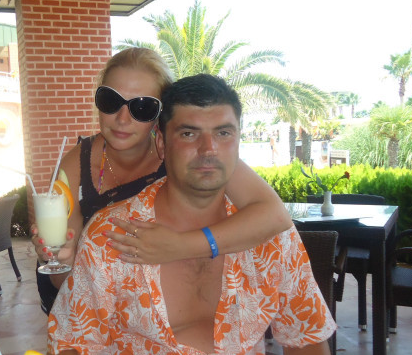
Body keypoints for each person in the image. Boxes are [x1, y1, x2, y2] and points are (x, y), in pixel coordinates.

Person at [48, 74, 339, 355]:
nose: (208, 149)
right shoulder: (114, 234)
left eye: (223, 133)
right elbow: (69, 346)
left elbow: (306, 337)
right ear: (161, 143)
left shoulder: (270, 238)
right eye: (188, 134)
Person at [34, 48, 292, 314]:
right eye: (111, 101)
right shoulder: (76, 165)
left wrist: (182, 246)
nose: (122, 119)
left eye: (142, 107)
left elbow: (275, 215)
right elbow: (67, 283)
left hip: (162, 306)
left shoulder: (183, 155)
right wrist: (61, 260)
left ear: (161, 115)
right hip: (87, 305)